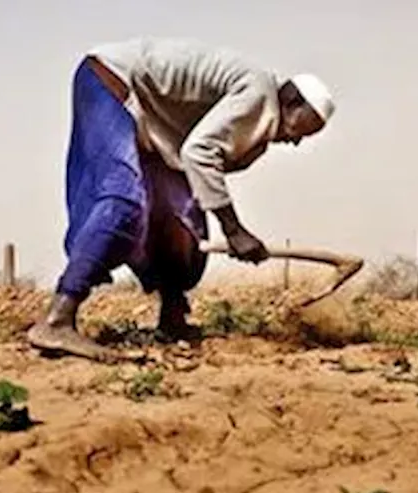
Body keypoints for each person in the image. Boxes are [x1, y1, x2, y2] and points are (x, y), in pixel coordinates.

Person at [26, 37, 336, 360]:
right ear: (291, 100)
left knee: (186, 224)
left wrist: (228, 226)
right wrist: (234, 230)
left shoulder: (257, 98)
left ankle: (172, 314)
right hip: (114, 85)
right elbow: (199, 154)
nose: (298, 141)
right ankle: (57, 319)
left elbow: (193, 159)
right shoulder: (260, 95)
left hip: (152, 127)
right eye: (305, 128)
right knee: (123, 202)